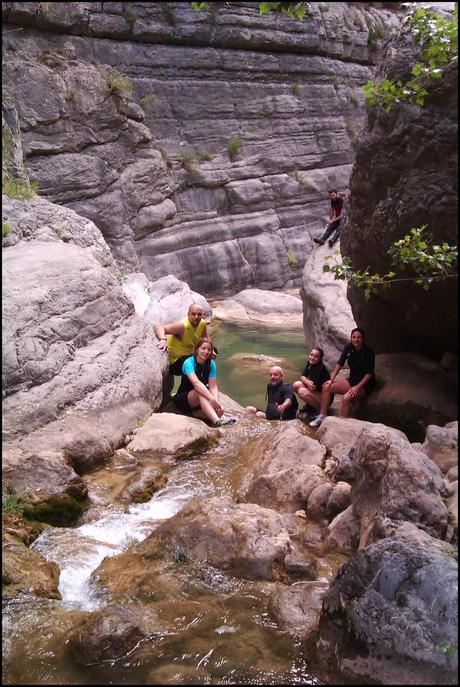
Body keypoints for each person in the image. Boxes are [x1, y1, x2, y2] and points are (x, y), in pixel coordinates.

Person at [309, 327, 375, 428]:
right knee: (326, 386)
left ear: (363, 339)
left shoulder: (368, 352)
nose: (356, 340)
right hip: (352, 380)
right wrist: (332, 379)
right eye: (354, 337)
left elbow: (370, 373)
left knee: (346, 398)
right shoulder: (349, 347)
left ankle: (342, 426)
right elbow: (340, 363)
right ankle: (322, 415)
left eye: (359, 337)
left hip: (364, 385)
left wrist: (357, 387)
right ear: (351, 338)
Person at [173, 337, 236, 427]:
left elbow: (213, 386)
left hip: (200, 401)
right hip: (184, 398)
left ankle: (193, 413)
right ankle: (217, 422)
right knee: (200, 392)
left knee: (220, 410)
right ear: (197, 349)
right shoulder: (189, 362)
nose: (206, 352)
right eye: (203, 348)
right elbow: (197, 384)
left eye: (209, 350)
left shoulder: (211, 364)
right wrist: (212, 399)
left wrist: (216, 402)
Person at [154, 303, 208, 375]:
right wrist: (163, 339)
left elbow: (205, 337)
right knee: (196, 362)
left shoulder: (202, 323)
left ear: (202, 315)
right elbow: (159, 327)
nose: (196, 317)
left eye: (199, 314)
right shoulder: (181, 326)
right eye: (193, 314)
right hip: (174, 363)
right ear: (188, 314)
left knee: (208, 355)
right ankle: (190, 385)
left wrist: (212, 350)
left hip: (188, 356)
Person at [293, 346, 333, 419]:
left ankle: (321, 411)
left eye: (316, 356)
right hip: (317, 393)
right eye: (311, 355)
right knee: (296, 385)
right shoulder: (310, 363)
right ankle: (310, 405)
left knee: (301, 391)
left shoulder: (320, 369)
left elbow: (312, 389)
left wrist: (307, 383)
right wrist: (308, 382)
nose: (312, 358)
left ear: (320, 359)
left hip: (325, 398)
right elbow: (302, 376)